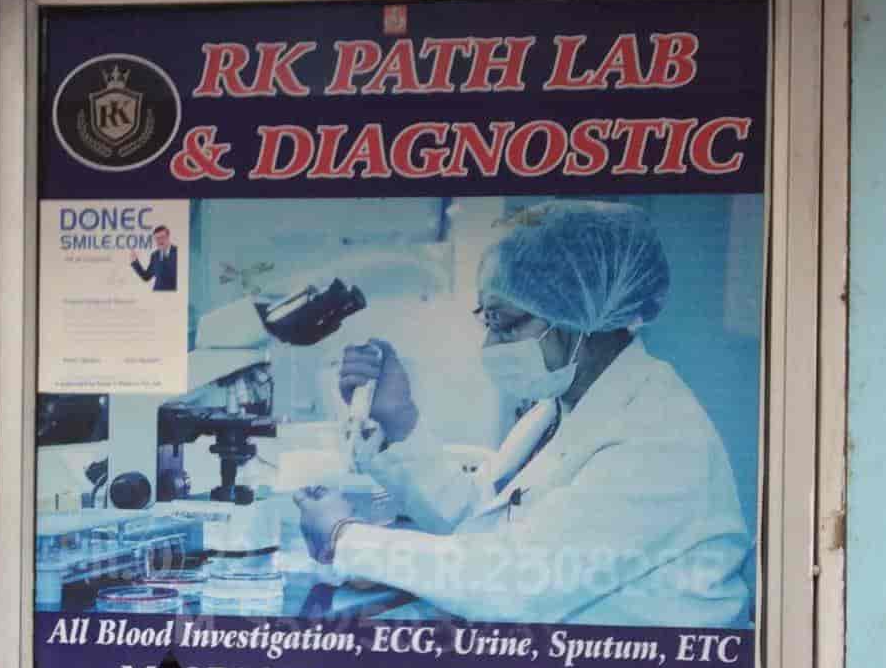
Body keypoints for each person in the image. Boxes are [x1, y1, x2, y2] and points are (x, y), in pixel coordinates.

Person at [295, 200, 751, 627]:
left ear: (580, 314)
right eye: (488, 322)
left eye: (507, 324)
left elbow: (517, 579)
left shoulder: (658, 440)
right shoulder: (558, 411)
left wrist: (344, 538)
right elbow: (479, 522)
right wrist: (399, 418)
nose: (491, 346)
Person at [130, 224, 178, 291]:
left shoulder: (178, 252)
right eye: (157, 238)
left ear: (168, 237)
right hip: (157, 294)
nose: (160, 241)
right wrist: (135, 262)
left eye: (162, 237)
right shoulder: (155, 255)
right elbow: (146, 277)